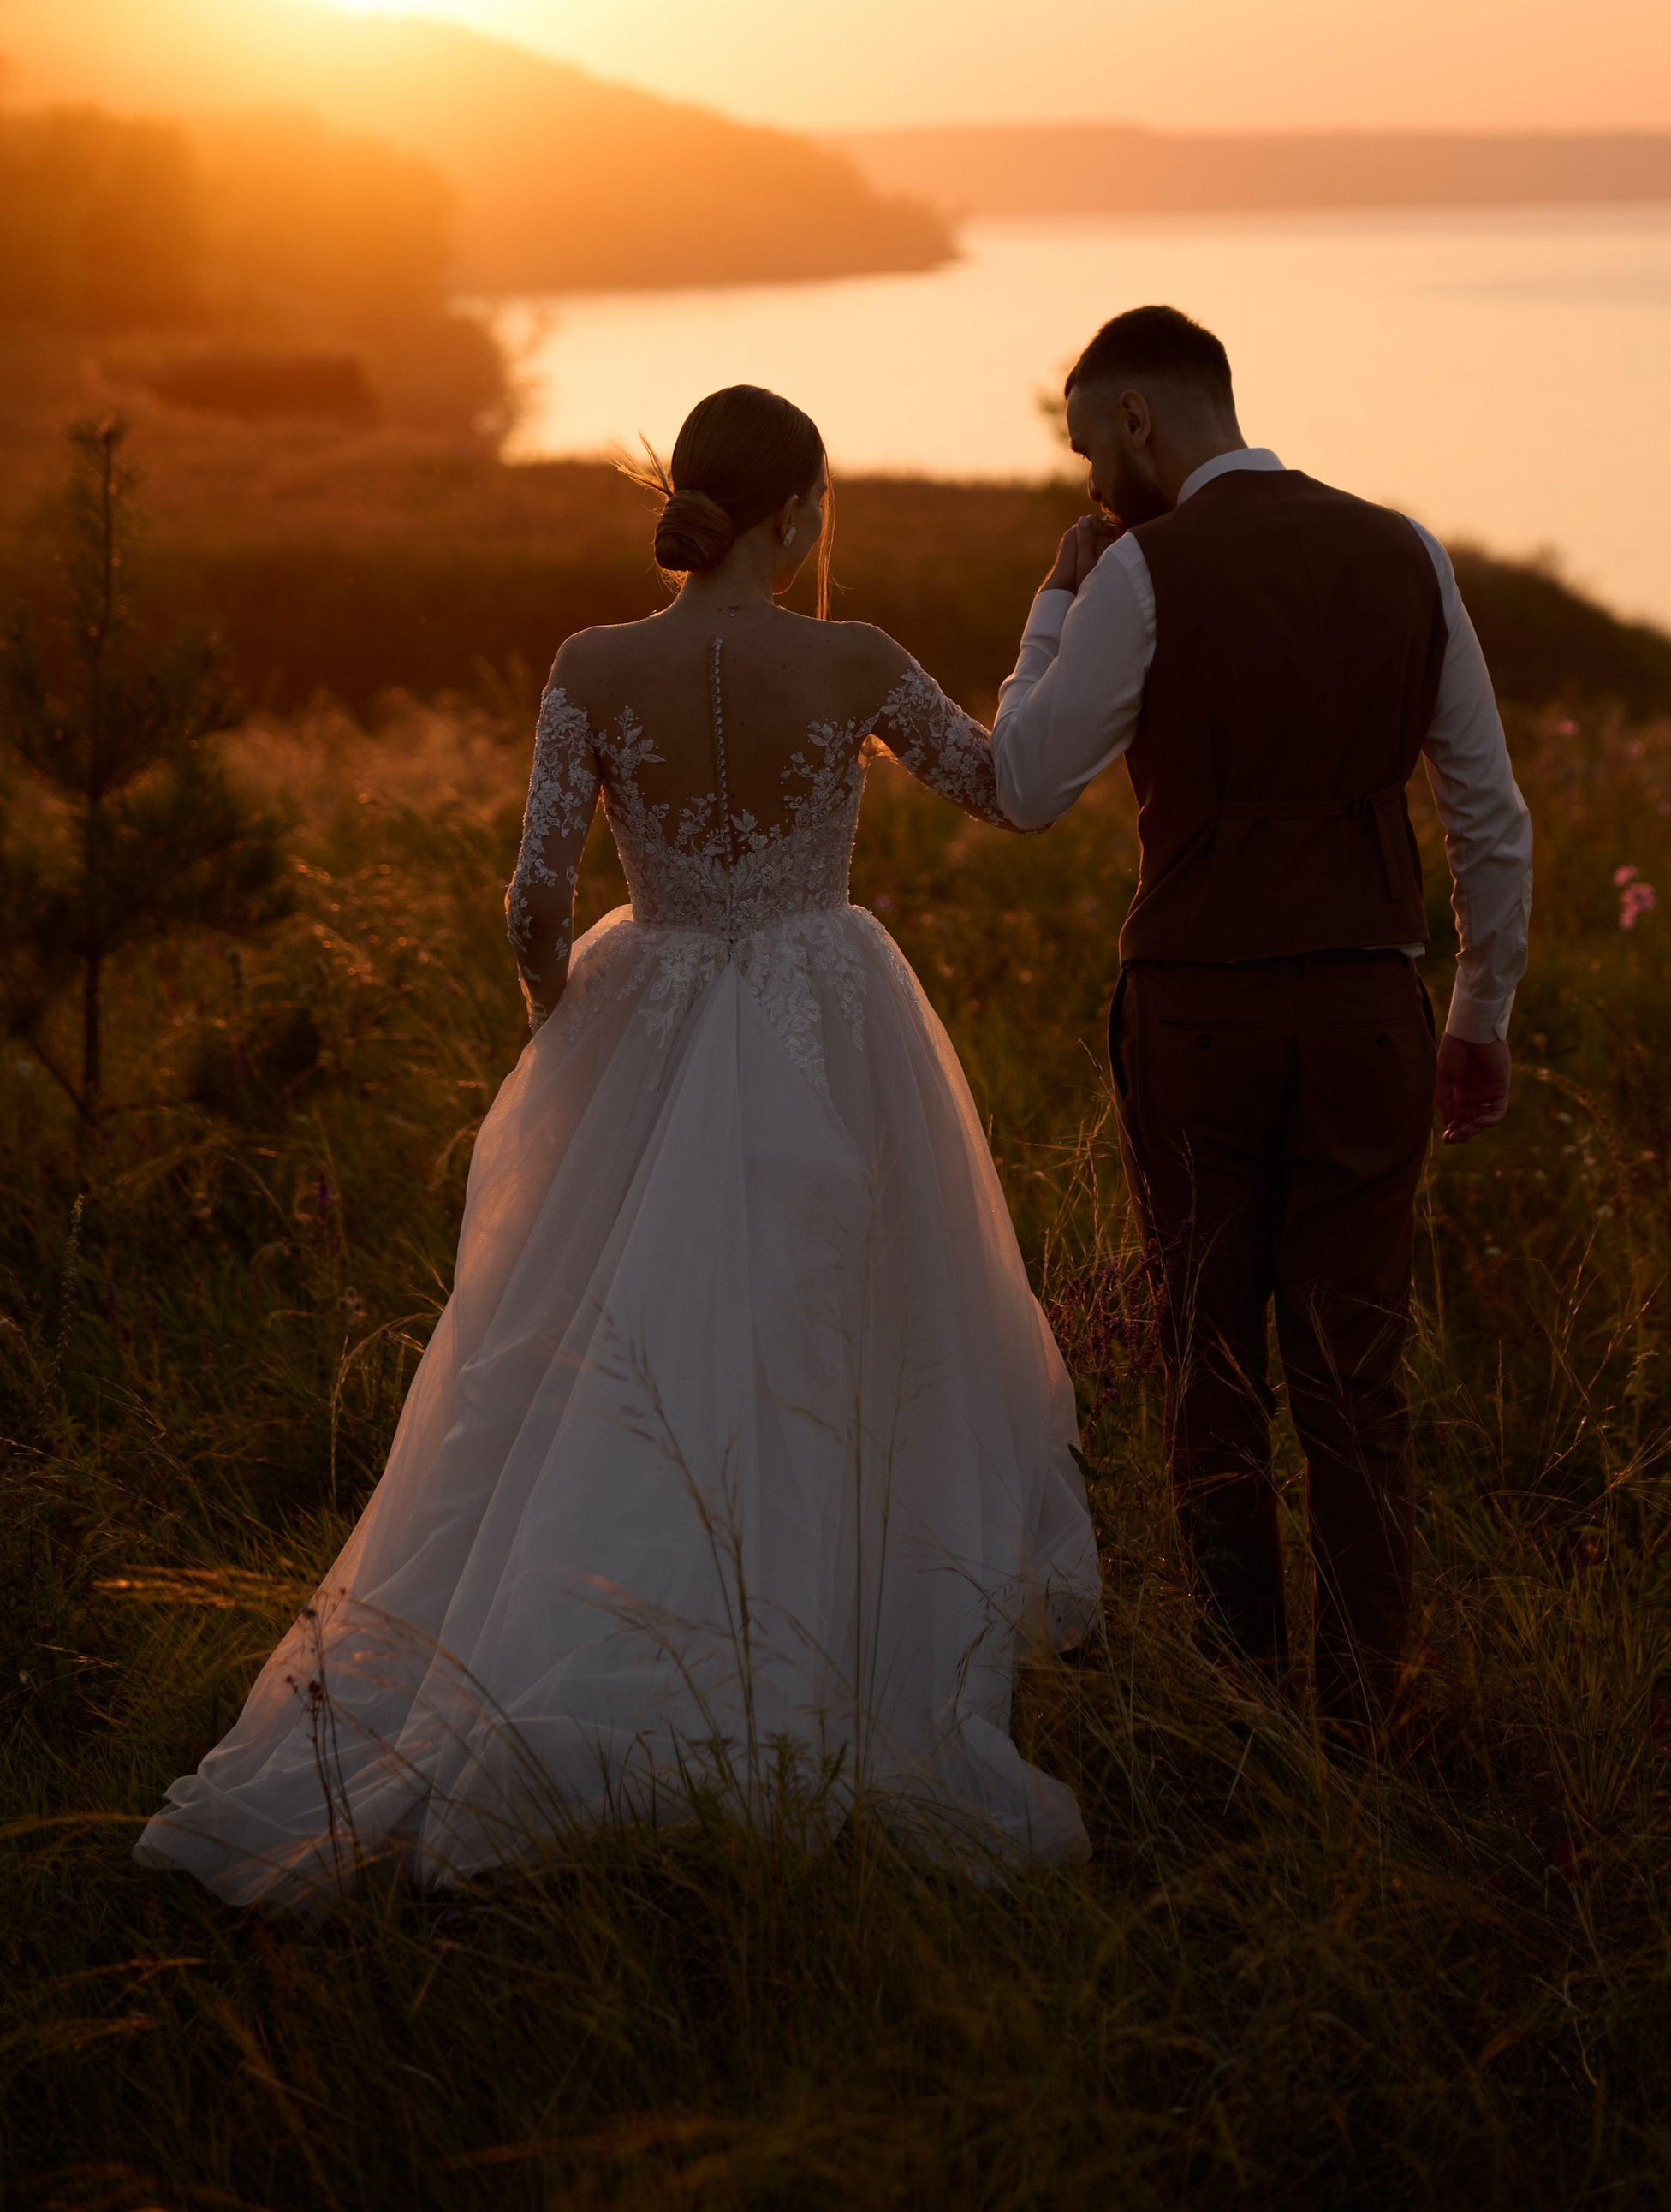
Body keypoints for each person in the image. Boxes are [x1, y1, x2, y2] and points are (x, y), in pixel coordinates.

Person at [137, 385, 1097, 1911]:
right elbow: (1006, 790)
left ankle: (577, 1669)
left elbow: (531, 895)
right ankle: (807, 1677)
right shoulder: (856, 660)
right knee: (823, 1353)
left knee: (592, 1370)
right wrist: (1057, 614)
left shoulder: (594, 663)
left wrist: (559, 1021)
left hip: (642, 1014)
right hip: (819, 1025)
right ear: (797, 513)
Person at [990, 306, 1531, 1739]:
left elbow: (1027, 782)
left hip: (1201, 1018)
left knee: (1212, 1373)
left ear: (1139, 426)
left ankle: (1243, 1715)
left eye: (1086, 443)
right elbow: (1489, 811)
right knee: (1357, 1379)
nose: (1087, 479)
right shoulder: (1404, 551)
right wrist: (1478, 1007)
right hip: (1369, 1010)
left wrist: (1055, 605)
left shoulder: (1137, 569)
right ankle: (1369, 1715)